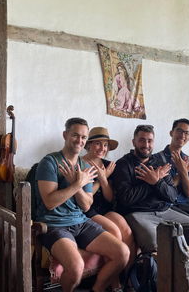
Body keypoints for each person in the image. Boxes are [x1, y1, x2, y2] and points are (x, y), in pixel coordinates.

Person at [33, 118, 129, 292]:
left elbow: (86, 206)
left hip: (81, 222)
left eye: (83, 137)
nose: (79, 140)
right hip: (55, 224)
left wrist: (76, 184)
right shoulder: (49, 162)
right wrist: (77, 184)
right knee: (76, 267)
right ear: (65, 135)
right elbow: (50, 203)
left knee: (122, 253)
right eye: (75, 135)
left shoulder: (84, 166)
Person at [111, 124, 189, 253]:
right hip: (137, 213)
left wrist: (157, 182)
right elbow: (127, 198)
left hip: (164, 210)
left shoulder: (159, 164)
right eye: (142, 140)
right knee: (154, 244)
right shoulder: (123, 164)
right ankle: (152, 272)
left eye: (149, 141)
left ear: (153, 142)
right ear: (134, 142)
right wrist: (152, 182)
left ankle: (183, 270)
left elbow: (172, 196)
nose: (146, 144)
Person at [81, 127, 137, 271]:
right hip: (86, 209)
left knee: (127, 231)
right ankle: (114, 282)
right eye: (98, 143)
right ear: (88, 144)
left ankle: (128, 279)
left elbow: (110, 197)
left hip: (104, 207)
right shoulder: (79, 164)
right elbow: (84, 198)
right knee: (115, 232)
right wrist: (101, 178)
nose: (102, 148)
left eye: (105, 145)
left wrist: (105, 180)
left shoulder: (108, 166)